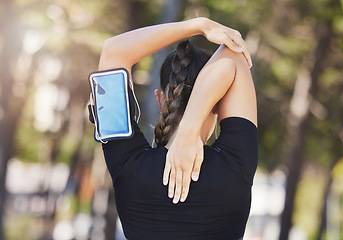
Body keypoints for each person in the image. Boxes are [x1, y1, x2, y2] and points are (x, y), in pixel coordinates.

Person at [96, 17, 258, 240]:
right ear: (219, 103)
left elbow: (113, 51)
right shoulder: (236, 163)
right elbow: (234, 55)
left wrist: (200, 25)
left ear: (161, 99)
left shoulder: (126, 163)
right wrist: (189, 129)